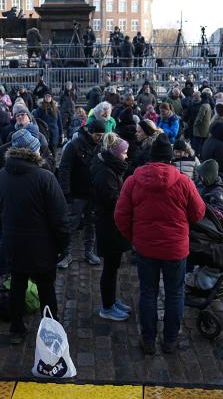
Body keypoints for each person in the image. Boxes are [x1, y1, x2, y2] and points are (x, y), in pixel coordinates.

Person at [115, 134, 205, 355]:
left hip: (146, 247)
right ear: (170, 158)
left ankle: (148, 340)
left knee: (148, 292)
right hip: (175, 248)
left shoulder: (133, 180)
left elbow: (121, 216)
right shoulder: (184, 181)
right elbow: (198, 212)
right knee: (175, 293)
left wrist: (135, 237)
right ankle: (170, 340)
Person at [0, 129, 69, 344]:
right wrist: (64, 245)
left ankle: (17, 329)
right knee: (46, 289)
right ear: (33, 151)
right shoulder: (45, 177)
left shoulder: (0, 176)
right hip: (42, 246)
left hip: (13, 244)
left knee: (17, 286)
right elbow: (60, 216)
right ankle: (51, 329)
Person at [90, 133, 132, 321]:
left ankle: (112, 300)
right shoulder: (105, 172)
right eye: (124, 153)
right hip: (108, 226)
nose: (126, 156)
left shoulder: (110, 167)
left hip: (112, 224)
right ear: (115, 154)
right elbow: (112, 201)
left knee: (113, 266)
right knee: (109, 267)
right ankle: (107, 307)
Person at [57, 120, 104, 267]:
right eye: (97, 135)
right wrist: (66, 192)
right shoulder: (74, 145)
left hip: (93, 193)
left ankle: (89, 251)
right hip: (77, 193)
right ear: (90, 132)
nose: (100, 138)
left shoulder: (101, 145)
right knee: (70, 224)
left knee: (92, 224)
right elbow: (64, 168)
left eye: (102, 135)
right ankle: (66, 253)